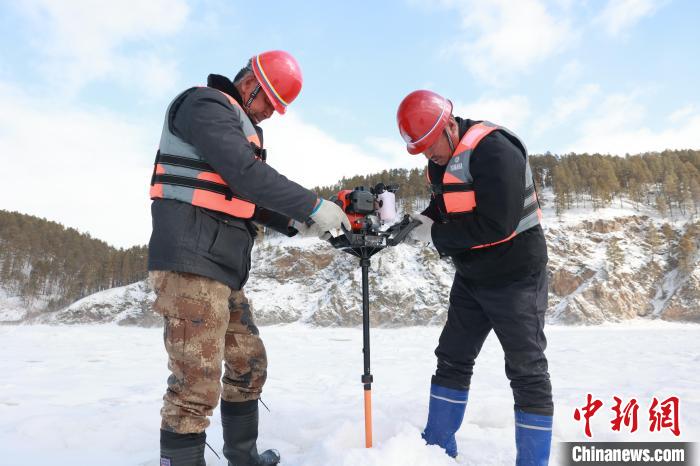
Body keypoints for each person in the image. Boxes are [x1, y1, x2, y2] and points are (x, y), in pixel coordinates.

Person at [148, 50, 350, 466]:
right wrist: (312, 205)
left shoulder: (238, 125)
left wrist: (298, 224)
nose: (270, 115)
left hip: (222, 270)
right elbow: (243, 173)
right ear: (249, 85)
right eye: (268, 104)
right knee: (194, 386)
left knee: (248, 363)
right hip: (190, 261)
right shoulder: (204, 105)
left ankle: (243, 457)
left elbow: (245, 197)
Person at [396, 90, 553, 465]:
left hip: (517, 276)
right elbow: (447, 203)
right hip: (472, 277)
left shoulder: (496, 150)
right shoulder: (439, 161)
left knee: (526, 370)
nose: (429, 157)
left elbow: (498, 224)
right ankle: (436, 449)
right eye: (420, 151)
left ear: (448, 125)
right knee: (452, 357)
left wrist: (433, 235)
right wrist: (419, 221)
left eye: (431, 147)